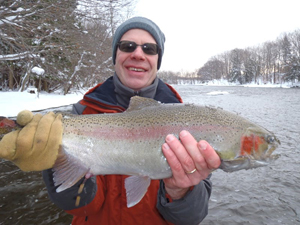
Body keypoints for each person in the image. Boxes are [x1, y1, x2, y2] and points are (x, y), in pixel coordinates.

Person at [0, 17, 221, 224]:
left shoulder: (187, 123)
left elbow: (193, 218)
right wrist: (53, 160)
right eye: (127, 46)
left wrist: (180, 191)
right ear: (116, 55)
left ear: (157, 59)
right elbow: (81, 208)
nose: (138, 54)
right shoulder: (80, 115)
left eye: (149, 49)